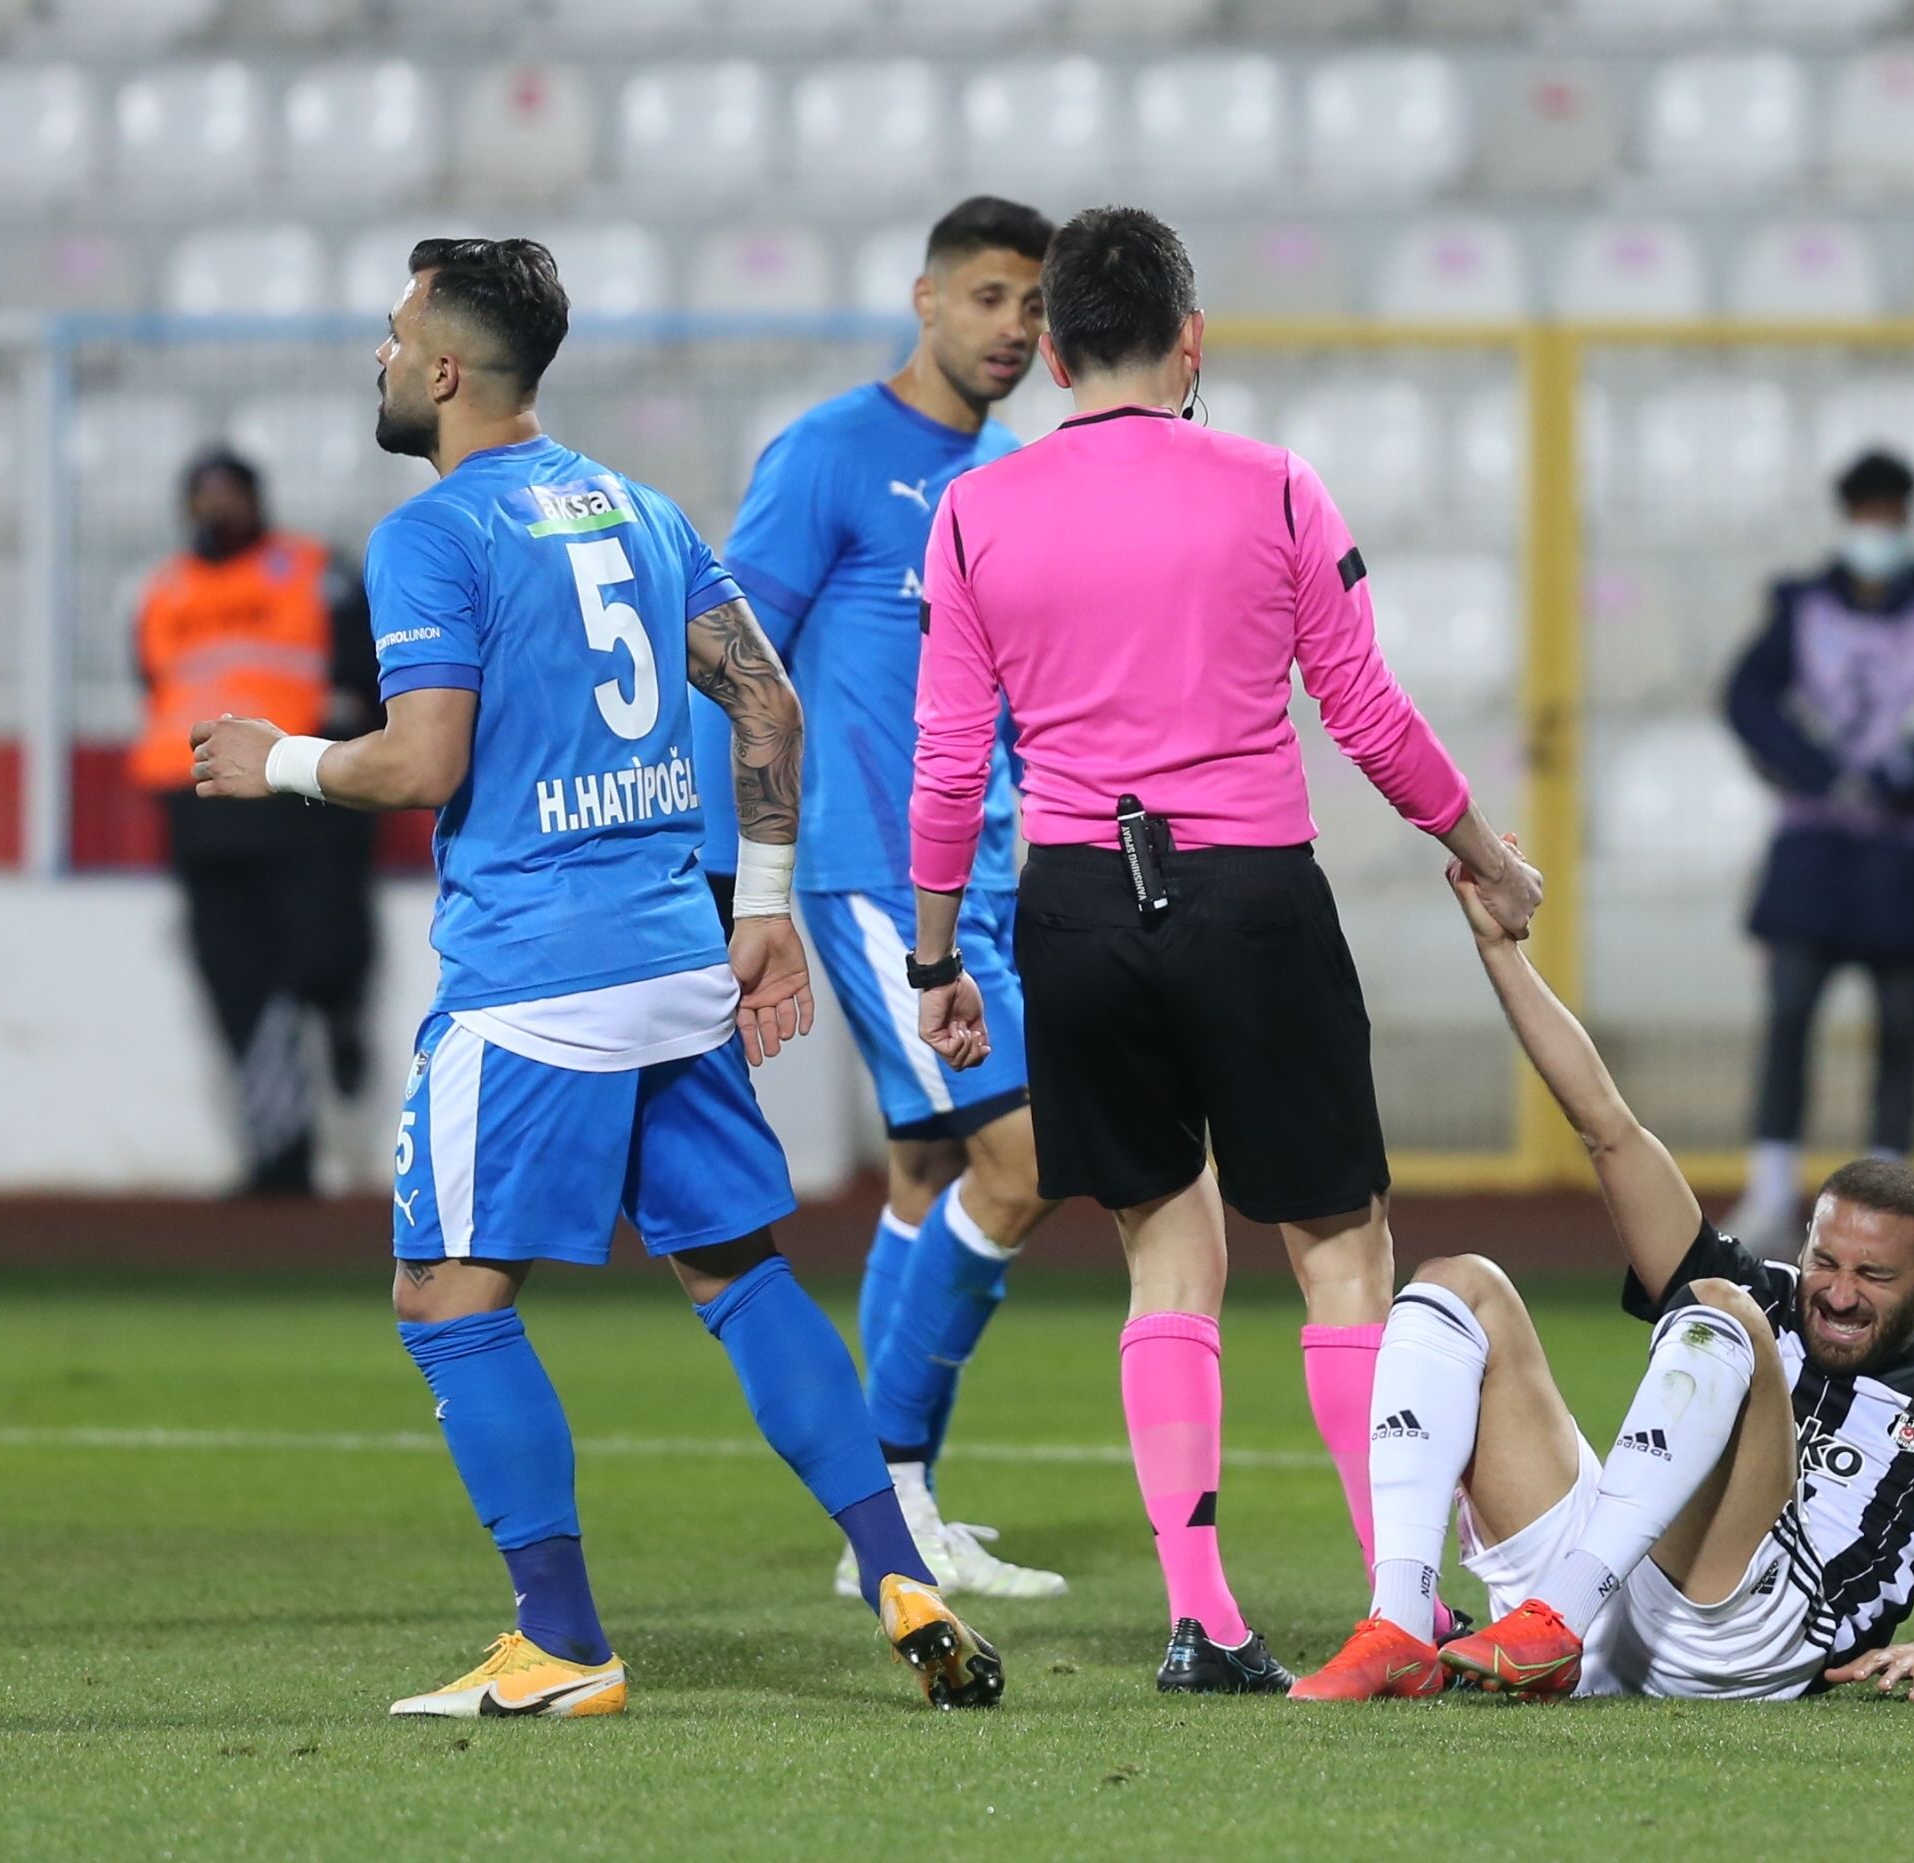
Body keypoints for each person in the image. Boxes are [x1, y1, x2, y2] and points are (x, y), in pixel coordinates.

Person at [188, 237, 1001, 1717]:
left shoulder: (434, 535)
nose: (377, 356)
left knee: (443, 1293)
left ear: (441, 367)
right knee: (737, 1272)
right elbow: (766, 696)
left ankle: (559, 1639)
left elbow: (423, 759)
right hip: (673, 955)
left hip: (532, 980)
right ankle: (897, 1564)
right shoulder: (636, 507)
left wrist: (281, 759)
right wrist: (759, 903)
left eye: (391, 333)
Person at [905, 205, 1544, 1694]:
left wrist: (940, 956)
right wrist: (1483, 852)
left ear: (1052, 350)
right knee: (1338, 1250)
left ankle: (1203, 1615)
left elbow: (947, 765)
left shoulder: (973, 511)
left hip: (1067, 903)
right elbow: (1367, 717)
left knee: (1164, 1256)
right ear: (1191, 343)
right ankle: (1401, 1602)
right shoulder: (1270, 487)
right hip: (1248, 894)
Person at [1293, 860, 1914, 1704]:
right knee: (1459, 1286)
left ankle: (1555, 1623)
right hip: (1614, 1589)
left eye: (1873, 1275)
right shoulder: (1774, 1292)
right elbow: (1607, 1128)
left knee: (1722, 1308)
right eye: (1826, 1260)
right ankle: (1401, 1626)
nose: (1833, 1291)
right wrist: (1498, 947)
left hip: (1751, 1636)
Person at [692, 196, 1065, 1602]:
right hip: (866, 873)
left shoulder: (1010, 477)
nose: (1012, 331)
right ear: (923, 298)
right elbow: (731, 658)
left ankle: (896, 1514)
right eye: (986, 298)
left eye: (1032, 308)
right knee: (1023, 1161)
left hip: (980, 874)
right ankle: (892, 1511)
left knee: (927, 1170)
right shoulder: (832, 455)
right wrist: (746, 873)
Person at [1721, 450, 1914, 1256]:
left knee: (1901, 1023)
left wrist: (1910, 770)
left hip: (1912, 848)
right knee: (1788, 1013)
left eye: (1889, 514)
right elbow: (1747, 697)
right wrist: (1817, 769)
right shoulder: (1804, 606)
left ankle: (1888, 1202)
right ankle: (1773, 1188)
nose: (1876, 529)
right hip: (1817, 841)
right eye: (1867, 513)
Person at [129, 449, 380, 1195]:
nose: (215, 506)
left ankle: (338, 1013)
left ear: (255, 497)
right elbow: (154, 682)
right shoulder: (163, 590)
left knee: (322, 953)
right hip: (200, 805)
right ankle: (281, 1157)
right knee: (239, 984)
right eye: (201, 493)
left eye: (227, 491)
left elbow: (359, 672)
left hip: (296, 794)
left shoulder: (312, 570)